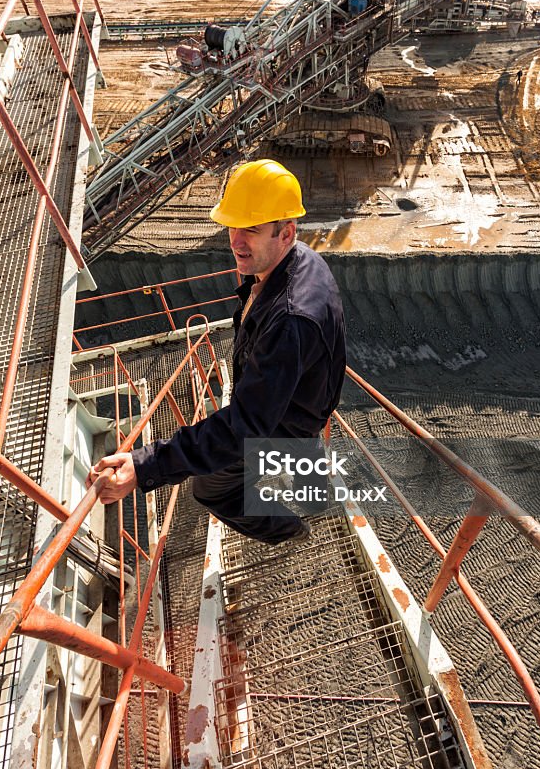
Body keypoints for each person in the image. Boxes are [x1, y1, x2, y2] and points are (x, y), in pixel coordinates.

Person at [86, 159, 347, 545]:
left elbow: (247, 426)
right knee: (304, 451)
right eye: (232, 227)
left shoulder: (291, 318)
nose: (236, 241)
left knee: (212, 489)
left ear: (286, 232)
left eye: (251, 230)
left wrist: (145, 466)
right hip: (304, 404)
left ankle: (290, 531)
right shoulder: (302, 259)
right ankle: (317, 497)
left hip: (285, 419)